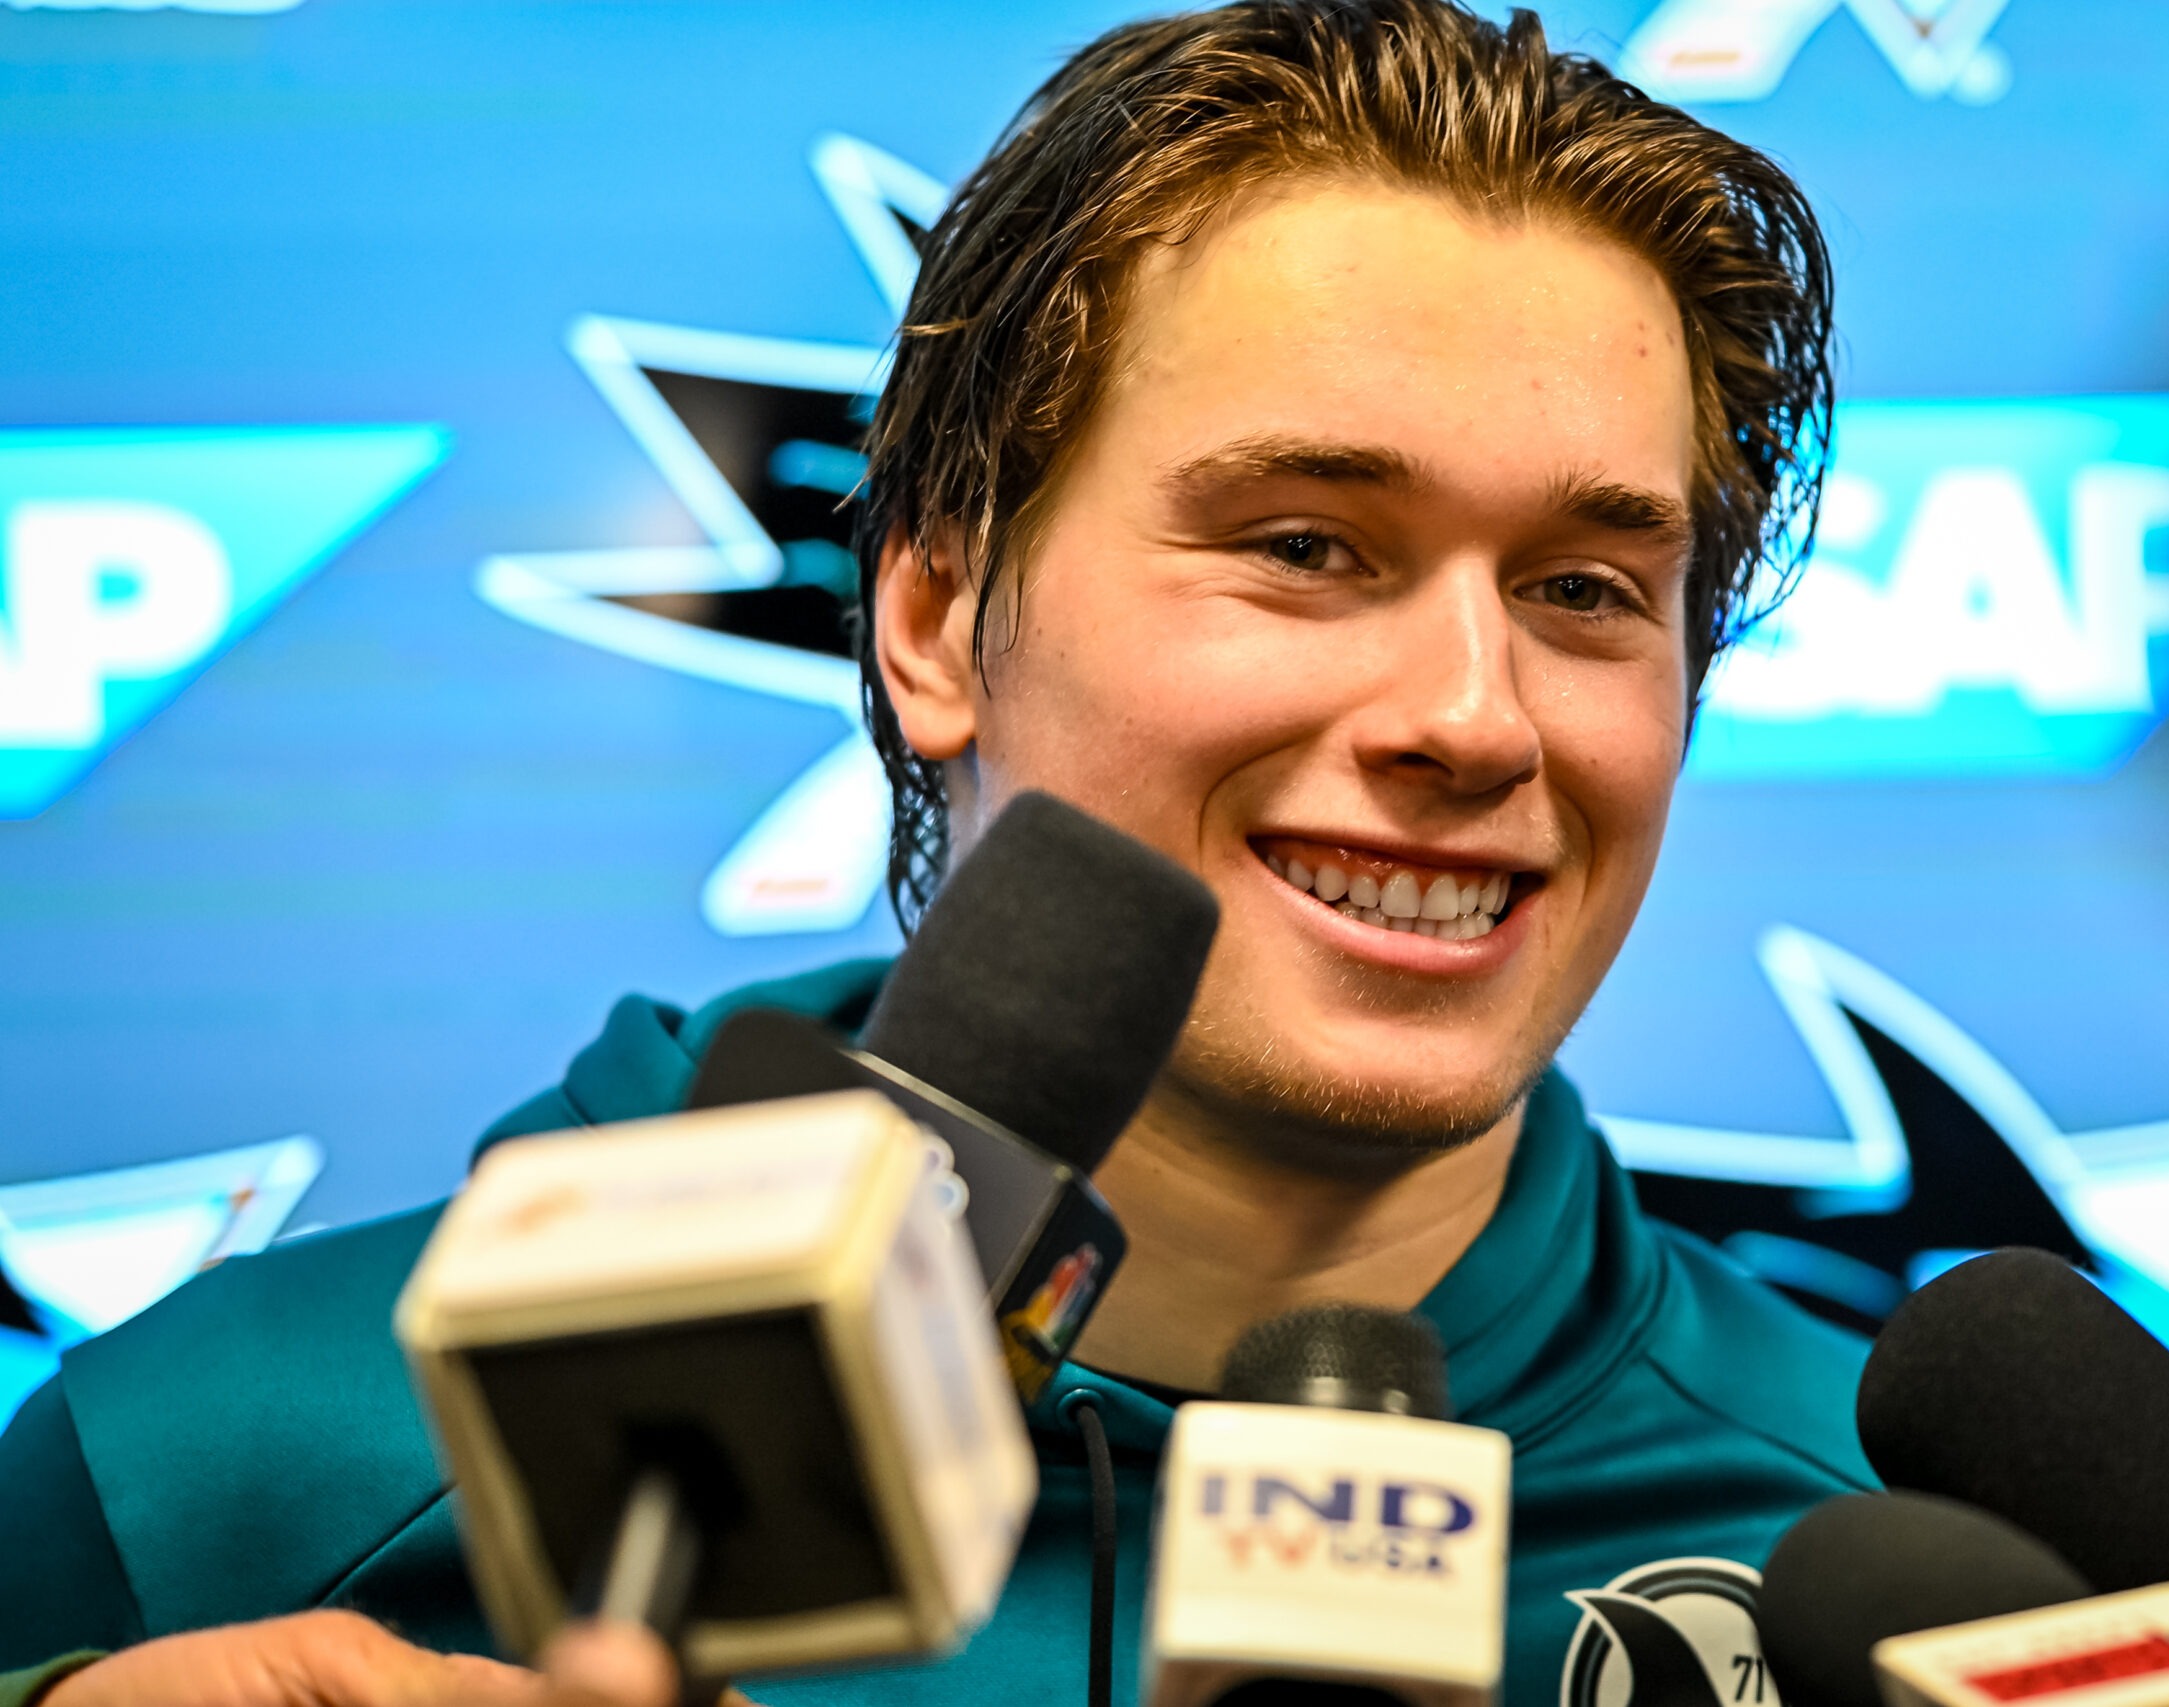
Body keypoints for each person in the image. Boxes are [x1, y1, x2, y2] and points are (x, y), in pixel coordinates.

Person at [0, 3, 1873, 1703]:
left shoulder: (1902, 1558)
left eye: (1583, 588)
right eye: (1307, 546)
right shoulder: (209, 1479)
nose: (1474, 717)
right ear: (934, 618)